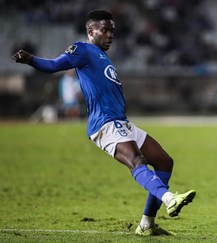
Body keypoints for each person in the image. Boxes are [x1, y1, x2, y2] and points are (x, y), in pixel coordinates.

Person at [12, 9, 196, 236]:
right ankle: (170, 199)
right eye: (105, 30)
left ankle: (147, 224)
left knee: (165, 162)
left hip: (121, 122)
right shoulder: (82, 49)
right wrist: (30, 59)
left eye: (112, 31)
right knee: (137, 160)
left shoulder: (101, 56)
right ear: (91, 31)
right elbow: (53, 65)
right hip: (104, 124)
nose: (110, 35)